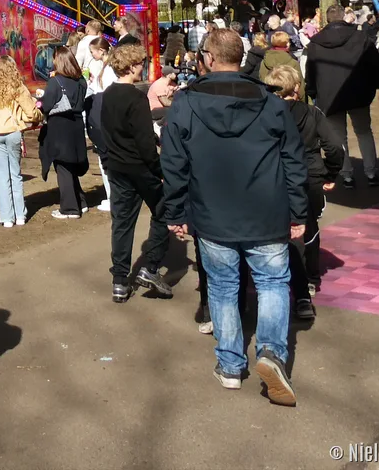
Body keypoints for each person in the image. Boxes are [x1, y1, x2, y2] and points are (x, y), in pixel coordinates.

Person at [160, 29, 308, 406]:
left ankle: (230, 365)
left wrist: (176, 212)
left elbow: (173, 164)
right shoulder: (271, 102)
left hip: (215, 214)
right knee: (272, 283)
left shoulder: (187, 103)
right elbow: (294, 160)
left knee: (225, 286)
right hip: (265, 210)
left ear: (209, 57)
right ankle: (271, 353)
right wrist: (298, 210)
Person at [264, 64, 343, 321]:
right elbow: (334, 146)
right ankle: (310, 278)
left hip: (276, 176)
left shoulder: (265, 114)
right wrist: (331, 173)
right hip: (309, 175)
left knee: (279, 229)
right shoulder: (312, 113)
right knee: (308, 226)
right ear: (296, 88)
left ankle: (282, 275)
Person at [99, 43, 172, 303]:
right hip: (140, 168)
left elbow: (106, 130)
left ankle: (119, 280)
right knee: (166, 210)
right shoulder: (135, 98)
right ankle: (150, 266)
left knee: (122, 223)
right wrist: (159, 169)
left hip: (117, 167)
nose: (143, 67)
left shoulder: (107, 95)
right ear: (131, 67)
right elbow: (144, 143)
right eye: (141, 63)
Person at [305, 5, 379, 188]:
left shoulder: (316, 43)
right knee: (364, 131)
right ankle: (371, 172)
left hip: (329, 94)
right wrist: (374, 84)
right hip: (358, 91)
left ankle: (346, 174)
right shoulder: (360, 37)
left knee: (339, 136)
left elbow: (311, 71)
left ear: (327, 20)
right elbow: (376, 64)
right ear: (344, 17)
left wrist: (312, 92)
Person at [0, 55, 42, 228]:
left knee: (1, 176)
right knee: (15, 174)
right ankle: (20, 215)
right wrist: (38, 116)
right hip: (13, 132)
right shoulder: (18, 87)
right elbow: (31, 111)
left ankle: (6, 218)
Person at [40, 47, 89, 219]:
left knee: (63, 167)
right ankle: (80, 202)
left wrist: (40, 101)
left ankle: (69, 209)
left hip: (59, 127)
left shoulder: (55, 82)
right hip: (76, 125)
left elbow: (46, 106)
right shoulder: (81, 81)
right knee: (72, 165)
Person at [84, 36, 116, 212]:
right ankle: (111, 195)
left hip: (103, 116)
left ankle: (113, 196)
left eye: (92, 52)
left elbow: (105, 92)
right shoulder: (105, 67)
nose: (91, 55)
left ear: (101, 51)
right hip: (101, 114)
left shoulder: (109, 69)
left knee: (106, 159)